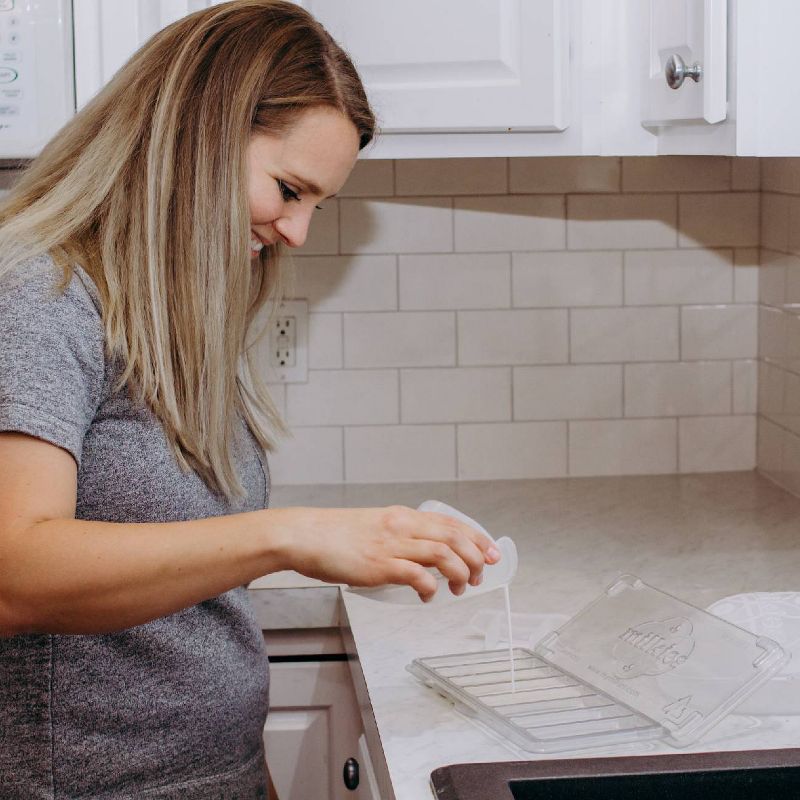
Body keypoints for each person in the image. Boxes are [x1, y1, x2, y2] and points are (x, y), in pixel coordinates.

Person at [0, 2, 499, 798]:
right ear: (199, 134)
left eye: (317, 205)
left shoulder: (165, 307)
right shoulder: (36, 290)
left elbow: (194, 607)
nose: (298, 231)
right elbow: (13, 572)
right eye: (289, 189)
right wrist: (289, 536)